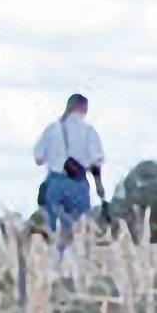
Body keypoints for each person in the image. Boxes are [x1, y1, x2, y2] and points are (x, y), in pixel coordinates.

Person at [33, 92, 105, 249]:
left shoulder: (52, 129)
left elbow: (38, 158)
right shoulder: (89, 131)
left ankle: (54, 264)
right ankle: (73, 265)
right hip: (78, 183)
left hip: (55, 182)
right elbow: (96, 161)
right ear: (84, 109)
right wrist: (99, 186)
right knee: (78, 230)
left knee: (54, 231)